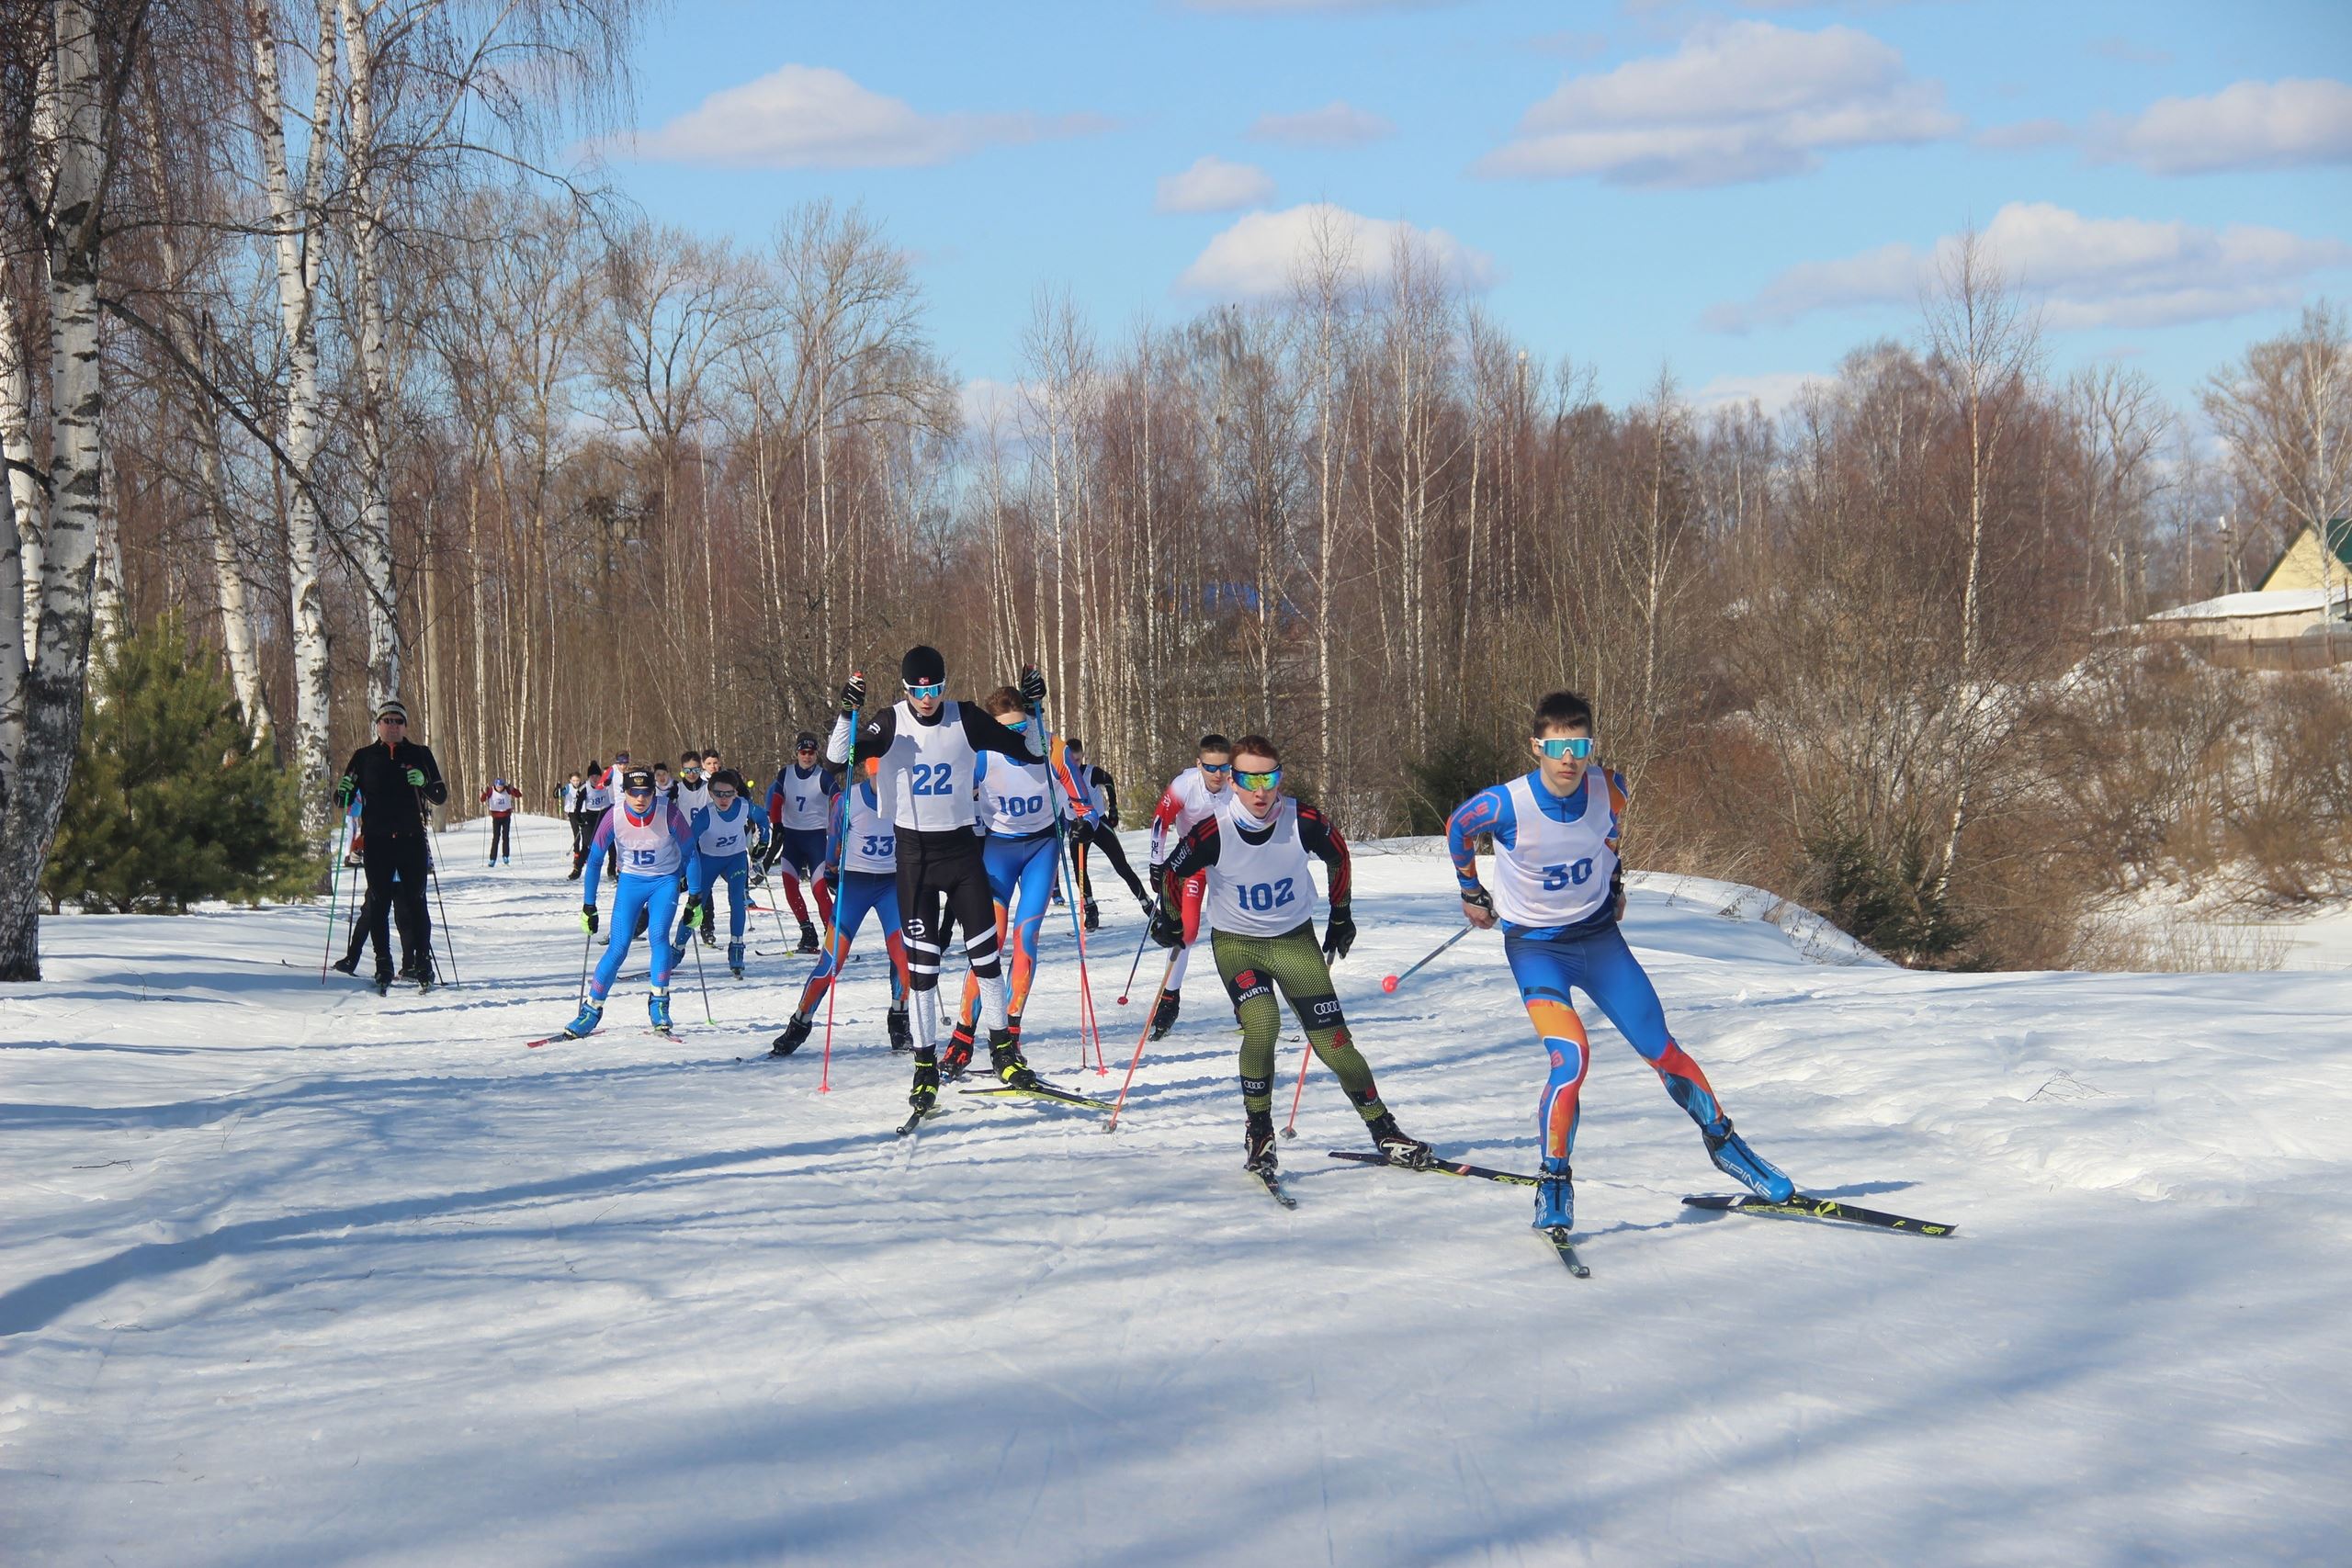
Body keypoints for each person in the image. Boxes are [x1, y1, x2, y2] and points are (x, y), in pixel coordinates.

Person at [1446, 691, 1793, 1235]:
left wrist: (1614, 880)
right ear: (1537, 745)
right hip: (1537, 949)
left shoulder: (1611, 787)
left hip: (1600, 942)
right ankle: (1554, 1181)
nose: (1569, 758)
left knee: (1662, 1048)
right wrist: (1472, 891)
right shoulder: (1503, 804)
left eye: (1579, 745)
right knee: (1572, 1059)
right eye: (1558, 746)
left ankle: (1728, 1146)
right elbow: (1457, 827)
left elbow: (1610, 835)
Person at [1154, 733, 1429, 1180]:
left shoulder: (1302, 819)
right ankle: (1259, 1131)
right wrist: (1168, 917)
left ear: (1279, 778)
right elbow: (1171, 870)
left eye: (1269, 778)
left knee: (1335, 1046)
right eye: (1248, 779)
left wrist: (1341, 916)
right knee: (1263, 1024)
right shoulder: (1213, 829)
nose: (1260, 791)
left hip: (1294, 943)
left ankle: (1385, 1130)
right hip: (1238, 945)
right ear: (1233, 781)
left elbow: (1339, 854)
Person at [829, 644, 1047, 1117]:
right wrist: (847, 713)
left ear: (945, 684)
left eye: (934, 688)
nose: (926, 698)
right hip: (914, 859)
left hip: (962, 851)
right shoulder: (889, 723)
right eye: (917, 690)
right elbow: (837, 761)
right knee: (923, 969)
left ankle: (1003, 1052)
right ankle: (925, 1064)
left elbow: (1031, 752)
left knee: (986, 957)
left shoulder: (965, 717)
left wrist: (1034, 710)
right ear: (905, 689)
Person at [943, 687, 1093, 1076]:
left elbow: (1086, 807)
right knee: (988, 940)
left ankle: (1009, 1033)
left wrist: (1082, 822)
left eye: (1021, 727)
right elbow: (950, 799)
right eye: (1004, 730)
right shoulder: (981, 755)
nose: (1015, 737)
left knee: (1025, 939)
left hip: (1041, 851)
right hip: (998, 852)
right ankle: (963, 1035)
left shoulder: (1053, 750)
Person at [767, 756, 912, 1056]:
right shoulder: (850, 800)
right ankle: (799, 1023)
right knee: (832, 962)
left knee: (903, 956)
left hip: (892, 885)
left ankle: (899, 1018)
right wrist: (832, 870)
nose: (884, 784)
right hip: (856, 885)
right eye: (878, 776)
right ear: (870, 773)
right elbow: (834, 837)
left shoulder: (906, 799)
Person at [563, 766, 697, 1037]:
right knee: (618, 946)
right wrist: (589, 905)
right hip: (631, 883)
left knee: (658, 936)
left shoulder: (668, 812)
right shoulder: (613, 816)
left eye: (646, 792)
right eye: (634, 792)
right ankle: (591, 1010)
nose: (640, 798)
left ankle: (659, 1004)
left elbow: (691, 853)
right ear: (624, 792)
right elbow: (596, 860)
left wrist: (694, 896)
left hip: (664, 881)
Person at [331, 699, 449, 990]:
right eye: (387, 721)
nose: (393, 726)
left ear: (405, 726)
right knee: (379, 904)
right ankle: (383, 964)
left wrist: (423, 782)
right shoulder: (364, 757)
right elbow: (342, 801)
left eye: (398, 721)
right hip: (378, 842)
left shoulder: (420, 754)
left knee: (416, 903)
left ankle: (423, 963)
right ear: (378, 725)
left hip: (411, 840)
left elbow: (440, 795)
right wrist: (342, 792)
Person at [1144, 734, 1237, 1040]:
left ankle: (1247, 1000)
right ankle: (1170, 998)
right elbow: (1160, 820)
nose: (1218, 775)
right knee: (1188, 930)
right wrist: (1157, 864)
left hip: (1229, 863)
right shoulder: (1184, 785)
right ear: (1199, 765)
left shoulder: (1238, 786)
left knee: (1239, 928)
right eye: (1210, 768)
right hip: (1193, 860)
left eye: (1223, 768)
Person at [676, 768, 766, 978]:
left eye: (728, 794)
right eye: (718, 794)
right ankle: (677, 948)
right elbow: (688, 845)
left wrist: (763, 843)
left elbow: (763, 819)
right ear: (710, 793)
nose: (723, 799)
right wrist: (683, 872)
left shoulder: (745, 807)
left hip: (736, 860)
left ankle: (736, 947)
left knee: (737, 901)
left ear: (736, 792)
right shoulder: (705, 815)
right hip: (708, 861)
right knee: (696, 905)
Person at [1061, 738, 1150, 931]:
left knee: (1121, 865)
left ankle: (1147, 903)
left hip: (1099, 823)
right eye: (1071, 761)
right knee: (1080, 870)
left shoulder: (1090, 772)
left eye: (1078, 760)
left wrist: (1114, 809)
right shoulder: (1059, 776)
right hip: (1076, 826)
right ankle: (1090, 909)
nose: (1075, 765)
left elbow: (1109, 781)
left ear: (1082, 757)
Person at [763, 732, 838, 952]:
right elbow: (776, 800)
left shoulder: (823, 776)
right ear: (797, 753)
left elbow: (838, 798)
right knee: (789, 887)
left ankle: (832, 935)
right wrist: (776, 825)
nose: (807, 757)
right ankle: (807, 932)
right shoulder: (785, 773)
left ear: (816, 754)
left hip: (815, 839)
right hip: (792, 839)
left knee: (819, 890)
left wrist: (841, 816)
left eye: (812, 752)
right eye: (803, 752)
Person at [574, 761, 613, 880]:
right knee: (587, 844)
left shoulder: (607, 784)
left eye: (597, 776)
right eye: (592, 776)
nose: (595, 779)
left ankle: (612, 869)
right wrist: (579, 819)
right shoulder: (584, 788)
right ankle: (577, 868)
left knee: (611, 842)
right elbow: (578, 806)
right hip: (590, 816)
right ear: (589, 777)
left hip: (605, 813)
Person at [480, 778, 516, 865]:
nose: (500, 788)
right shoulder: (491, 790)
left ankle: (506, 856)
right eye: (498, 787)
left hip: (506, 816)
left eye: (501, 787)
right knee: (496, 838)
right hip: (496, 817)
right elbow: (482, 799)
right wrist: (485, 793)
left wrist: (513, 789)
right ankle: (492, 859)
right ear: (495, 786)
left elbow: (518, 794)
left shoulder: (507, 789)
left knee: (506, 836)